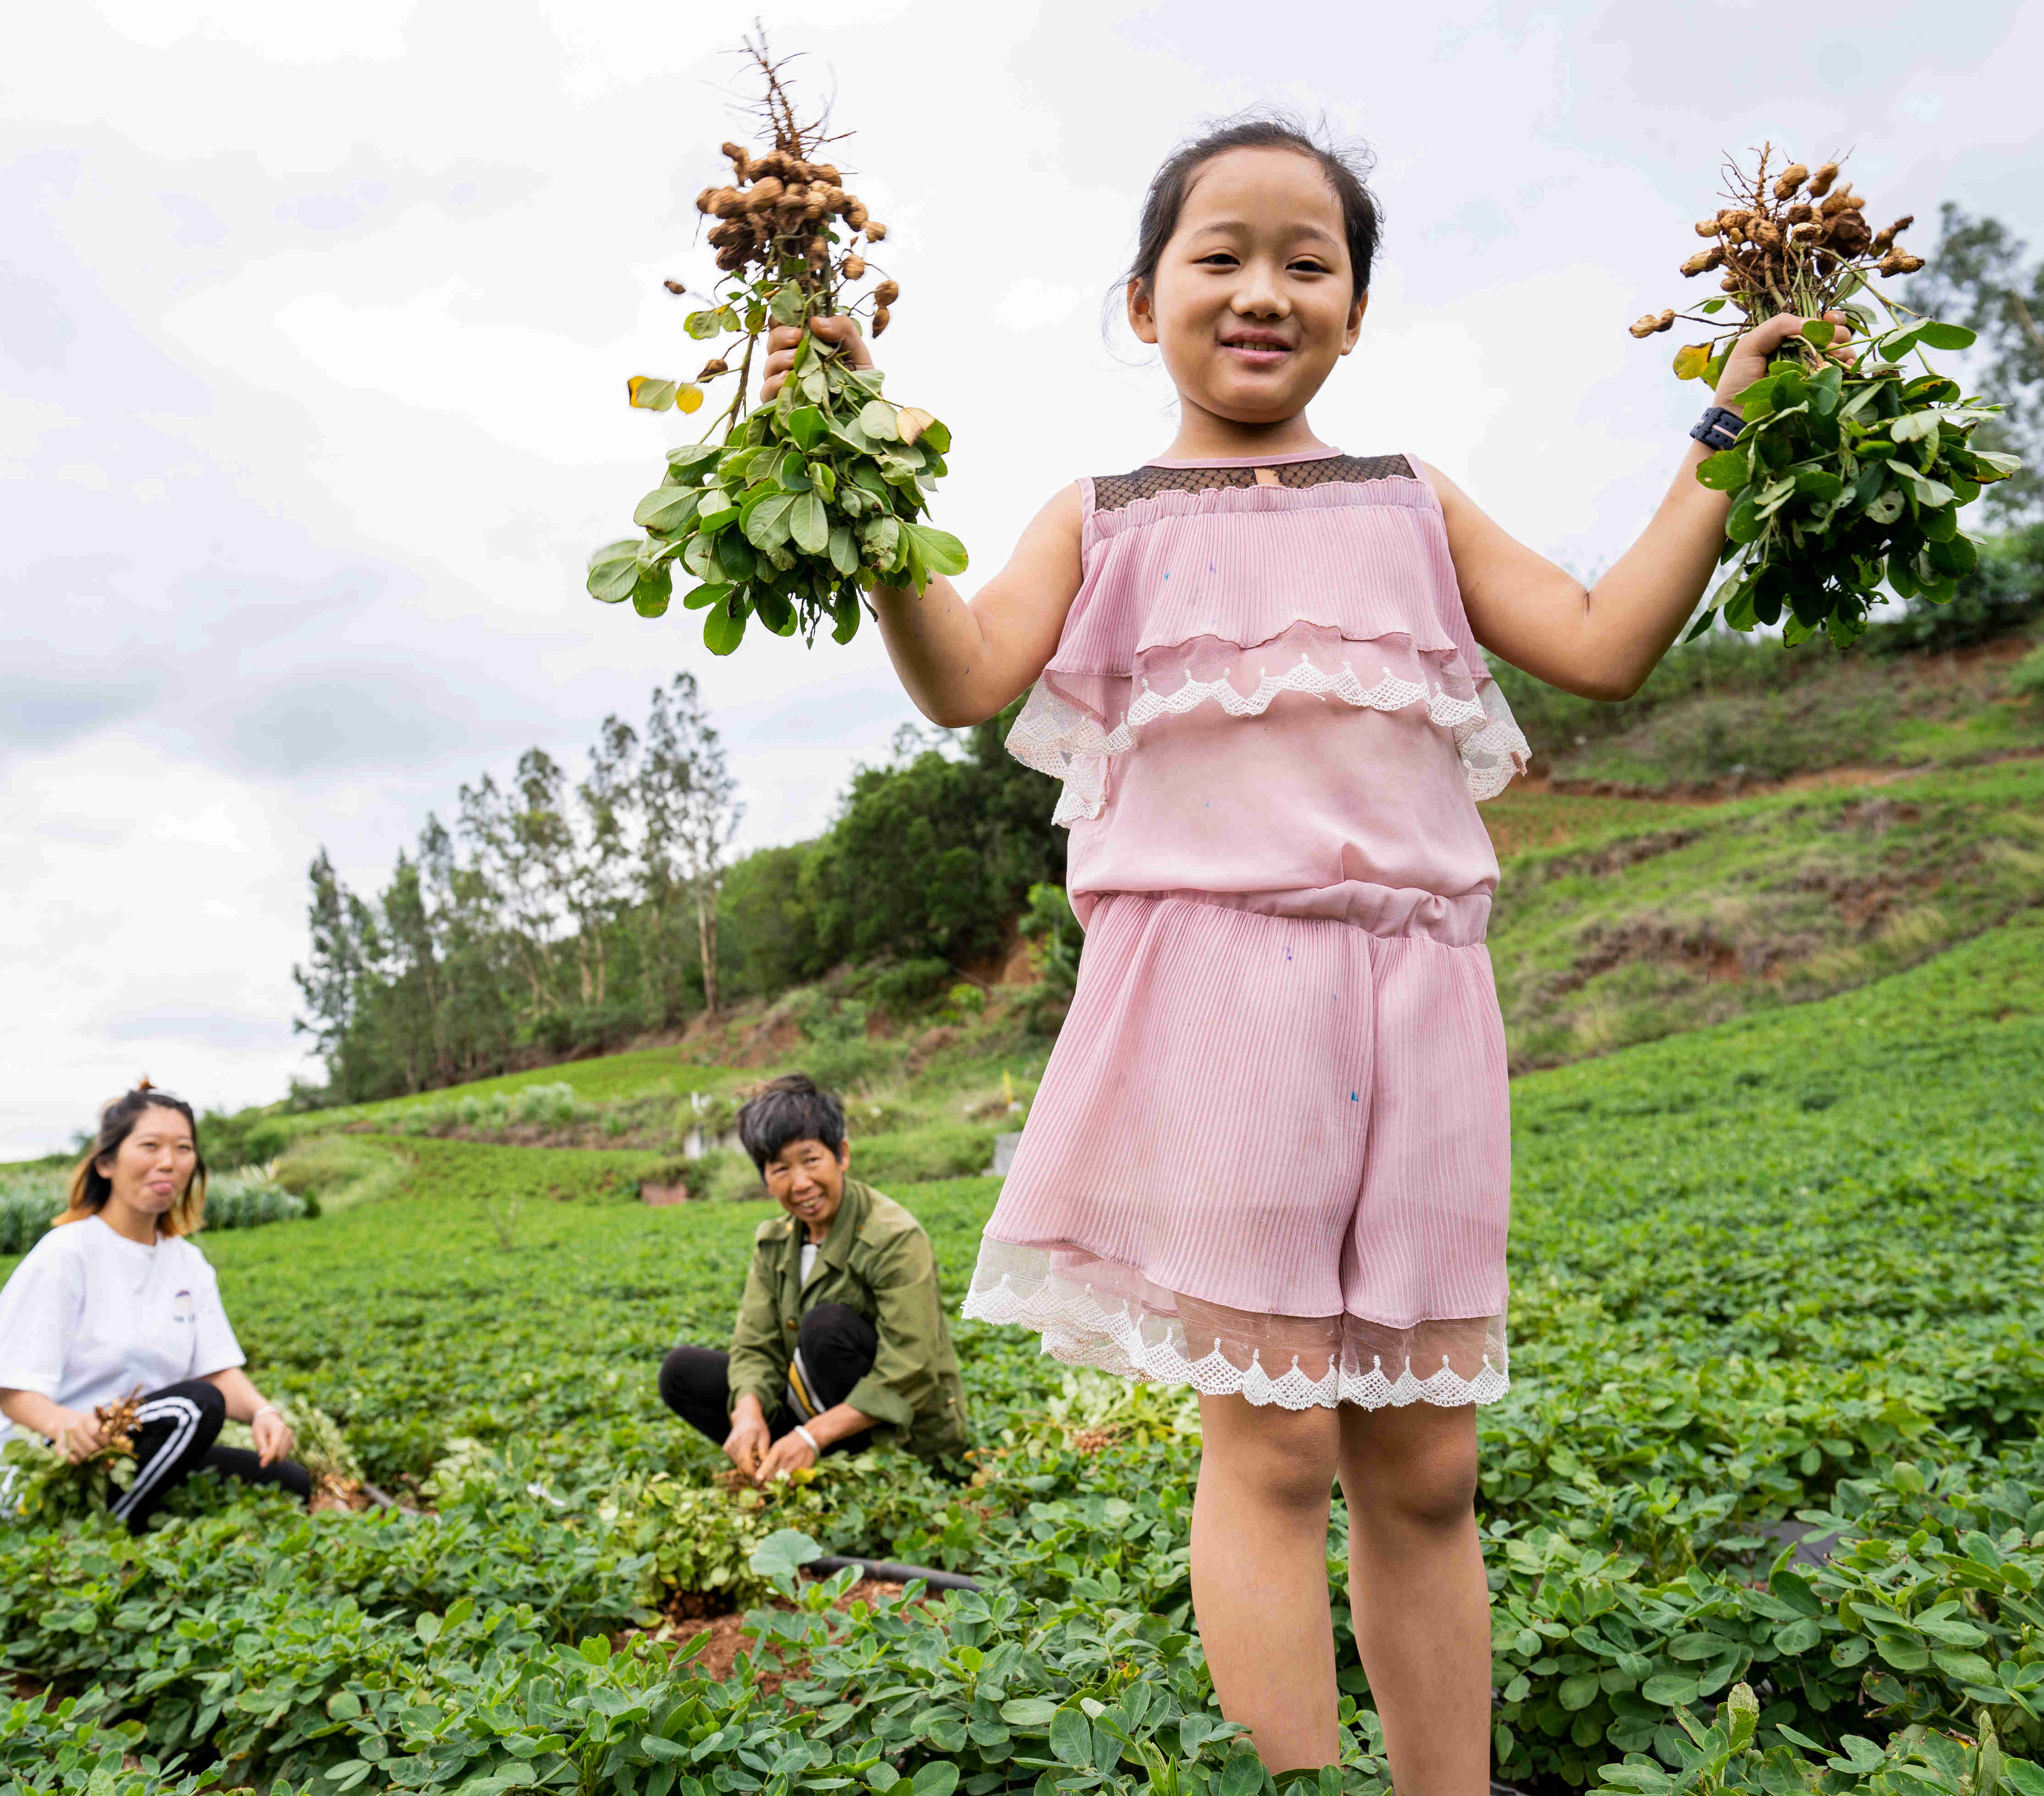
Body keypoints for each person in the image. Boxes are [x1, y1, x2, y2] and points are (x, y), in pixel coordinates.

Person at [757, 118, 1851, 1785]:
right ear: (1141, 303)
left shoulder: (1410, 499)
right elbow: (963, 674)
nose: (1261, 289)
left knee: (1423, 1468)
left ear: (1353, 308)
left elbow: (1604, 640)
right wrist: (852, 459)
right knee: (1266, 1442)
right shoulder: (1103, 515)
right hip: (1213, 1001)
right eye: (1219, 256)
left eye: (1306, 261)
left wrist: (1733, 433)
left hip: (1419, 1004)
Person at [0, 1080, 311, 1532]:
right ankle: (106, 1534)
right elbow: (12, 1390)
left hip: (123, 1452)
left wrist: (264, 1412)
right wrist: (63, 1422)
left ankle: (118, 1512)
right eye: (150, 1145)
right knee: (195, 1407)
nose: (168, 1161)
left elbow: (218, 1368)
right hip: (40, 1464)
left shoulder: (188, 1263)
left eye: (183, 1148)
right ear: (106, 1162)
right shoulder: (65, 1254)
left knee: (288, 1480)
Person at [658, 1074, 968, 1479]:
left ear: (842, 1155)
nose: (800, 1183)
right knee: (681, 1372)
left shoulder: (893, 1237)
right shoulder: (775, 1242)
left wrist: (810, 1437)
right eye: (780, 1168)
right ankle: (780, 1463)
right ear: (765, 1178)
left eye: (811, 1160)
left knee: (827, 1328)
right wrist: (748, 1413)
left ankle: (842, 1468)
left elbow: (911, 1368)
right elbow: (755, 1346)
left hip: (901, 1438)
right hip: (813, 1407)